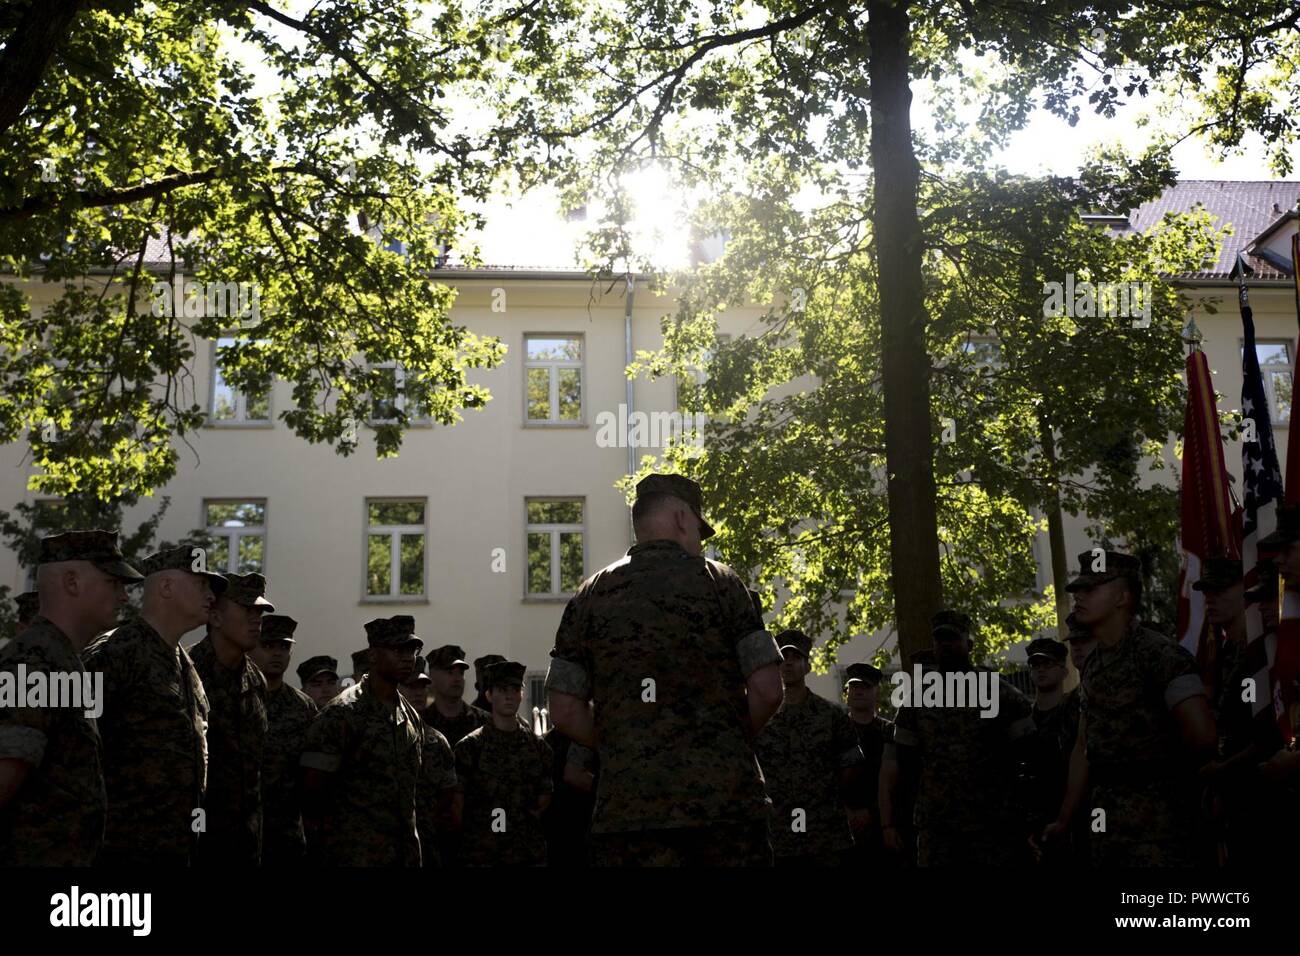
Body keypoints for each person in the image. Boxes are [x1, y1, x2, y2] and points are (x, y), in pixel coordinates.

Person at [545, 472, 784, 866]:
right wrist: (723, 741)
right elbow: (769, 690)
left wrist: (625, 744)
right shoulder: (722, 583)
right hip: (726, 814)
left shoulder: (590, 595)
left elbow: (564, 710)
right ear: (680, 518)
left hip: (628, 816)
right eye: (698, 528)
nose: (699, 541)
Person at [1042, 550, 1216, 867]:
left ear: (1122, 596)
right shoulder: (1093, 665)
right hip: (1107, 824)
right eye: (1078, 589)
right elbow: (1083, 747)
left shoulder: (1159, 654)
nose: (1079, 595)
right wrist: (1064, 820)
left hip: (1160, 829)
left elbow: (1202, 739)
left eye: (1091, 589)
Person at [0, 531, 142, 865]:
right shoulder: (35, 660)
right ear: (72, 582)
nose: (124, 597)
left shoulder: (63, 659)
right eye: (113, 583)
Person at [84, 544, 228, 865]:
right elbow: (74, 751)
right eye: (201, 584)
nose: (211, 597)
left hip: (177, 848)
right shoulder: (115, 653)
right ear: (166, 587)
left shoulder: (186, 665)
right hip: (122, 850)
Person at [880, 609, 1034, 867]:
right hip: (938, 828)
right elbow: (905, 766)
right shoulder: (916, 700)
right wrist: (895, 821)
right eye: (940, 640)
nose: (945, 646)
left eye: (952, 639)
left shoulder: (1000, 693)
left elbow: (1028, 754)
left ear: (969, 644)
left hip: (992, 825)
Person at [299, 615, 425, 866]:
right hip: (353, 855)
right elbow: (311, 794)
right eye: (398, 649)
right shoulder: (343, 713)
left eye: (412, 649)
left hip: (403, 854)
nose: (407, 657)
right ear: (374, 656)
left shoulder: (409, 715)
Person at [753, 629, 864, 866]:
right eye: (783, 658)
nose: (789, 663)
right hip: (777, 831)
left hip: (824, 830)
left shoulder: (831, 714)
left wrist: (828, 796)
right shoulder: (760, 714)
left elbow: (851, 764)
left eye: (796, 658)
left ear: (807, 666)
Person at [189, 571, 274, 866]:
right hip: (198, 842)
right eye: (246, 609)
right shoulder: (187, 673)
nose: (256, 619)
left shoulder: (256, 679)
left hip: (246, 842)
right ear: (214, 617)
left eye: (259, 611)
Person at [454, 660, 552, 866]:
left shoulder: (538, 747)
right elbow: (457, 805)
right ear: (489, 695)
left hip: (527, 852)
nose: (509, 695)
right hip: (483, 853)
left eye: (515, 689)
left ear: (522, 694)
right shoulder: (470, 747)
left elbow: (544, 798)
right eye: (502, 689)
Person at [249, 613, 317, 866]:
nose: (277, 653)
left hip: (286, 831)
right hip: (237, 828)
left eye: (284, 646)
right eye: (268, 646)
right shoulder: (235, 696)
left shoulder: (303, 707)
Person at [1018, 636, 1076, 865]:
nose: (1040, 670)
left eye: (1048, 664)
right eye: (1035, 665)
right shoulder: (1022, 720)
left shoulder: (1074, 715)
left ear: (1063, 671)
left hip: (1068, 813)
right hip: (1032, 818)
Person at [842, 662, 892, 865]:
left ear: (876, 692)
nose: (859, 692)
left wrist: (870, 812)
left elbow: (895, 780)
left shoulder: (889, 732)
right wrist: (847, 812)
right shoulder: (833, 730)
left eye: (865, 687)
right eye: (854, 687)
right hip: (841, 826)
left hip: (882, 825)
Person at [425, 644, 487, 746]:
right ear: (432, 676)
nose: (457, 678)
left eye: (461, 673)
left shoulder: (484, 722)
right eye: (450, 672)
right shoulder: (422, 722)